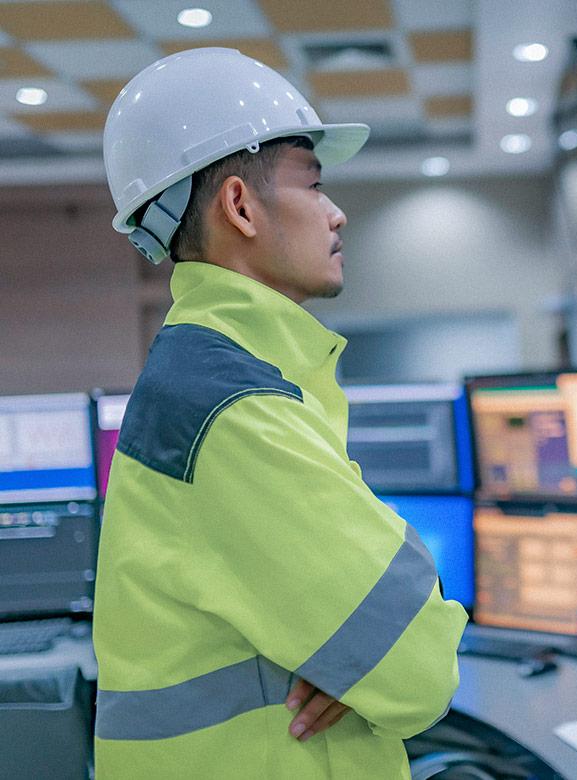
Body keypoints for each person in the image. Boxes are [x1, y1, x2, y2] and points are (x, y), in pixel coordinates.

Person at [93, 48, 467, 778]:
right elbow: (421, 670)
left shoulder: (205, 379)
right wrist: (371, 663)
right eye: (316, 184)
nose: (337, 212)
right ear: (240, 206)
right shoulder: (232, 411)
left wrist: (360, 661)